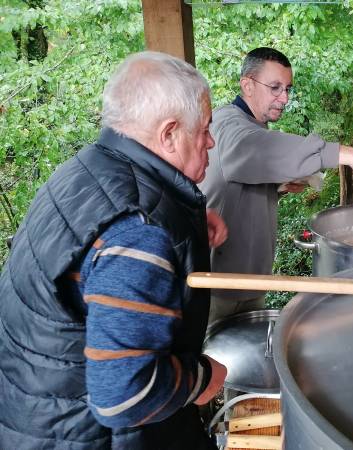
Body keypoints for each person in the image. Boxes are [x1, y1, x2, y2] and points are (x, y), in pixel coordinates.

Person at [0, 51, 228, 449]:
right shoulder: (138, 234)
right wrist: (204, 378)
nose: (211, 141)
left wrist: (185, 219)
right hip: (84, 436)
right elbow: (126, 395)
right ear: (169, 133)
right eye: (205, 128)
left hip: (34, 413)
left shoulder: (84, 170)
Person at [199, 47, 353, 321]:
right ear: (247, 84)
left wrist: (276, 188)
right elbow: (251, 148)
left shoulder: (254, 126)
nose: (284, 98)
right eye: (275, 87)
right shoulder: (228, 122)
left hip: (249, 284)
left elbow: (235, 180)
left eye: (288, 88)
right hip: (215, 289)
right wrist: (347, 154)